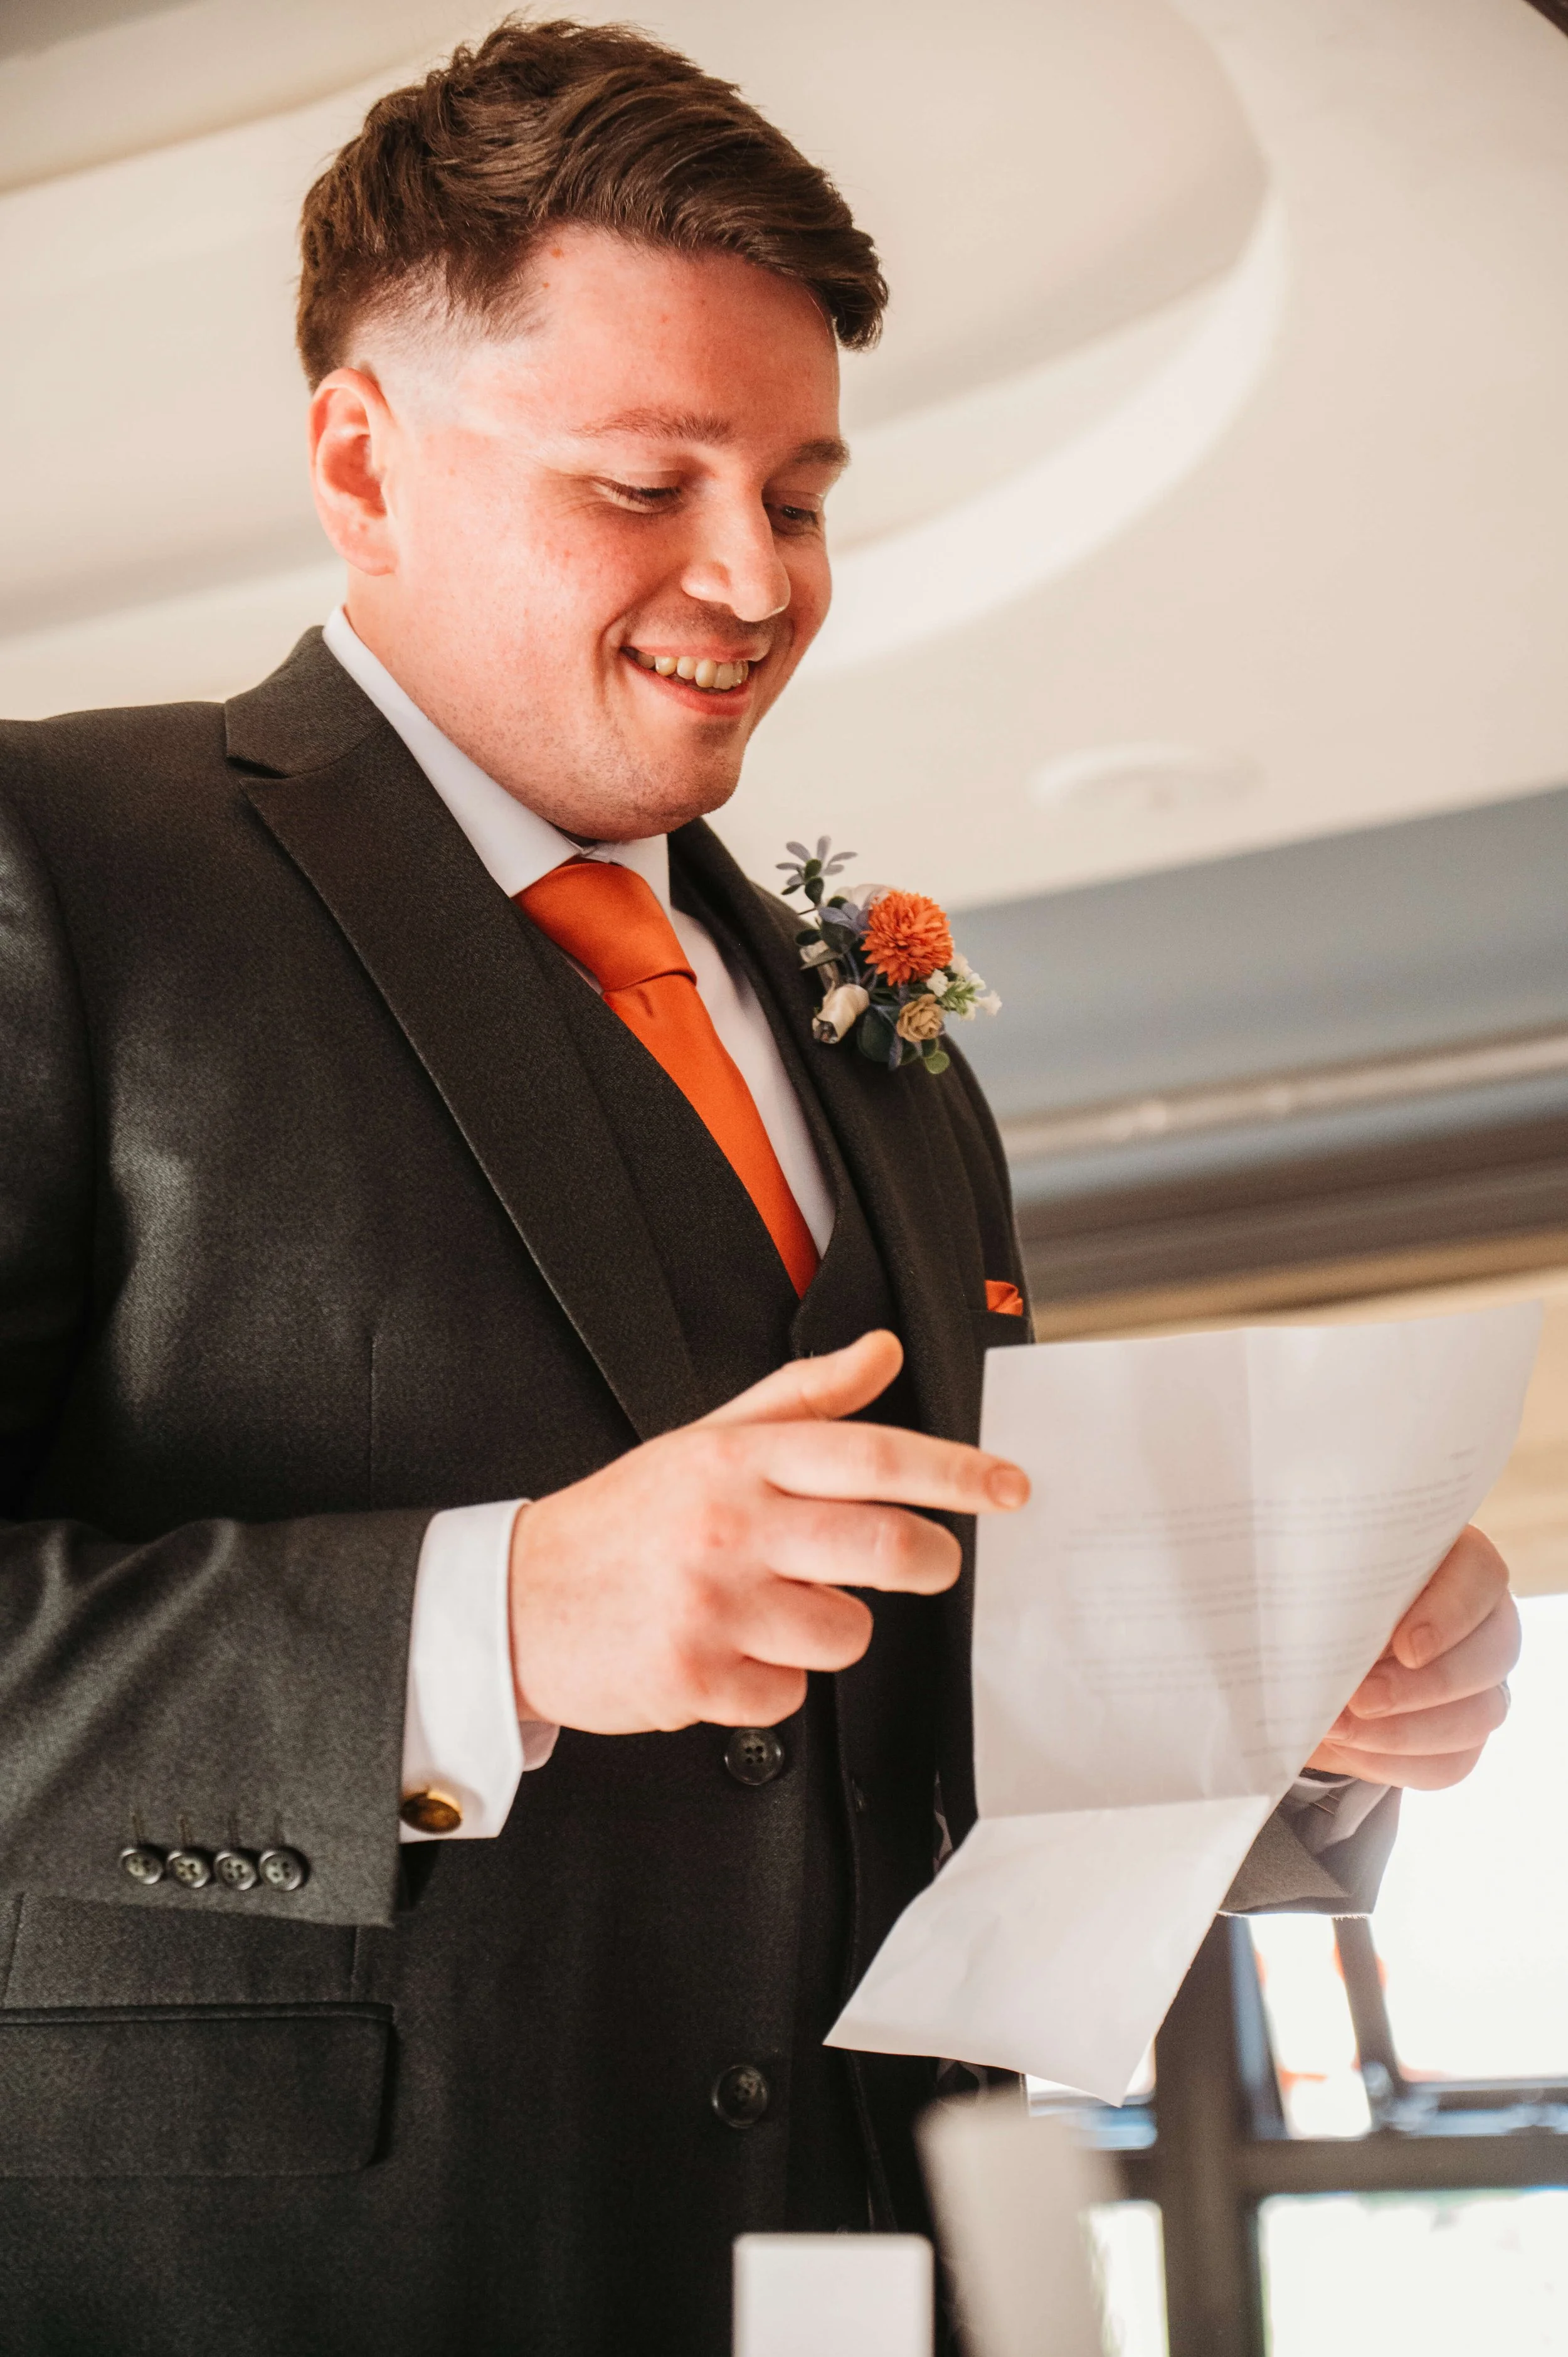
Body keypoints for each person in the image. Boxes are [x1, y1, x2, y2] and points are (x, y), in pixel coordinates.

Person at [0, 19, 1520, 2355]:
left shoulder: (875, 1042)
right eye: (645, 483)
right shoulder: (60, 870)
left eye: (799, 496)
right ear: (357, 457)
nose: (754, 579)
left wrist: (1281, 1712)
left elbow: (924, 1731)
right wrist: (491, 1618)